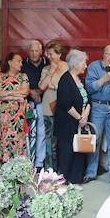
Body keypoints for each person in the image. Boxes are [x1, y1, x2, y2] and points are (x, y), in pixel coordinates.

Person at [84, 45, 110, 185]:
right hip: (98, 107)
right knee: (95, 141)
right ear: (107, 55)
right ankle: (91, 173)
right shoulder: (94, 67)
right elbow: (89, 88)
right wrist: (105, 79)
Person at [55, 50, 92, 184]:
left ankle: (76, 180)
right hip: (67, 124)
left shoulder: (81, 79)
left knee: (79, 152)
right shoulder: (65, 79)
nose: (85, 65)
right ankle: (63, 182)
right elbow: (65, 103)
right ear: (75, 63)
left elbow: (88, 99)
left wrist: (85, 115)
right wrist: (80, 118)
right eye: (83, 62)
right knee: (67, 153)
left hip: (80, 123)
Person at [0, 52, 30, 164]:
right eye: (18, 61)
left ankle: (16, 169)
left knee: (16, 140)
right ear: (10, 62)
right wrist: (15, 94)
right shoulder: (0, 76)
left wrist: (6, 94)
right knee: (0, 138)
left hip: (17, 117)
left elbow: (25, 92)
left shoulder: (23, 77)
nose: (21, 63)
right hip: (1, 116)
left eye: (21, 61)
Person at [38, 40, 68, 169]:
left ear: (59, 54)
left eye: (51, 54)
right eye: (48, 54)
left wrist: (55, 87)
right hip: (48, 108)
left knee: (64, 141)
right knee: (50, 141)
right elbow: (42, 86)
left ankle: (64, 170)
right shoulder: (46, 69)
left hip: (65, 109)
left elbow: (71, 87)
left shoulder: (68, 67)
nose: (48, 56)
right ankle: (50, 170)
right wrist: (51, 70)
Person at [21, 40, 47, 167]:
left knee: (41, 132)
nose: (34, 53)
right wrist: (32, 92)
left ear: (41, 51)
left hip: (43, 101)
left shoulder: (47, 63)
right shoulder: (23, 64)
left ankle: (39, 163)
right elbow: (18, 81)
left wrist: (39, 93)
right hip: (27, 101)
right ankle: (27, 161)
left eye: (36, 51)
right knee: (28, 131)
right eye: (31, 51)